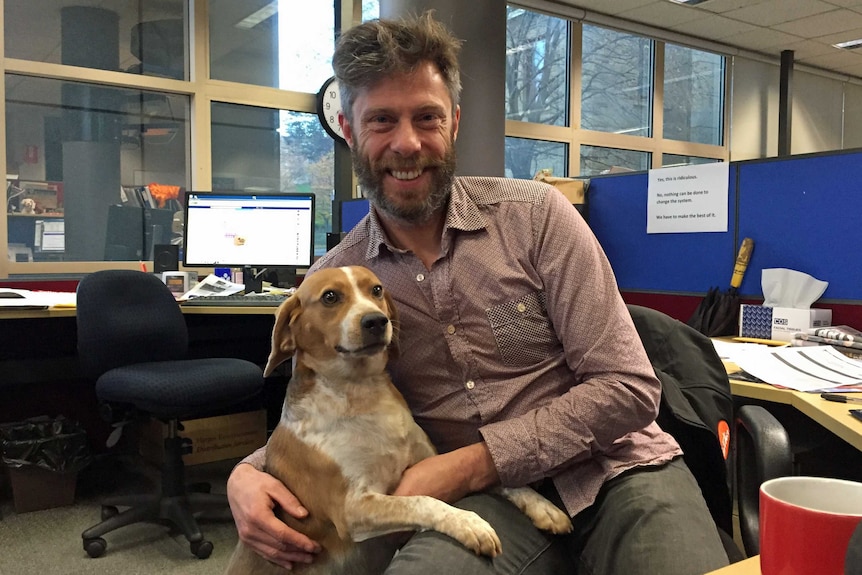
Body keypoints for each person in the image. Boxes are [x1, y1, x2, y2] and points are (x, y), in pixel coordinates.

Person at [226, 11, 730, 575]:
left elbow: (631, 388)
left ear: (456, 122)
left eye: (427, 118)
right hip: (489, 507)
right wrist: (247, 472)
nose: (407, 143)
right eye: (382, 120)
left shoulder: (537, 218)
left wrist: (474, 463)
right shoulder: (336, 284)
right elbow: (325, 408)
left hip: (619, 469)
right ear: (348, 130)